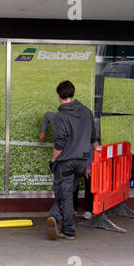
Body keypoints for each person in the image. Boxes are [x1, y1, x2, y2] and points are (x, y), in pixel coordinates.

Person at [46, 80, 101, 240]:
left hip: (66, 161)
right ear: (73, 93)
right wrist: (96, 148)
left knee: (65, 195)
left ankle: (68, 230)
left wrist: (53, 160)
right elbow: (93, 138)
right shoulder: (86, 112)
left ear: (58, 95)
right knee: (66, 193)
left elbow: (60, 144)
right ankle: (54, 217)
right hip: (82, 161)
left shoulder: (60, 116)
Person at [39, 111, 94, 219]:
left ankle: (88, 209)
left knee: (87, 178)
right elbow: (46, 115)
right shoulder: (56, 118)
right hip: (69, 158)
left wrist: (88, 166)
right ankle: (69, 210)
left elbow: (90, 147)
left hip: (82, 158)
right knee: (69, 184)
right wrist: (43, 131)